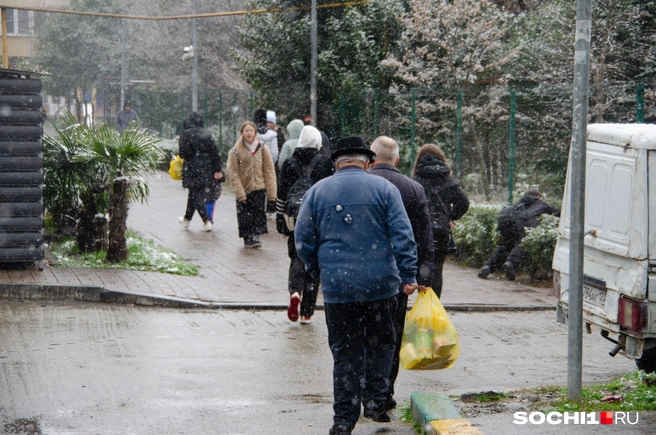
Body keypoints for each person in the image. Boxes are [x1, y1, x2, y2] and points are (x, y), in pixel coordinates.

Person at [294, 136, 418, 435]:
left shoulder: (317, 191)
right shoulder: (385, 189)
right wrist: (408, 274)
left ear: (336, 163)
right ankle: (375, 403)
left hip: (339, 289)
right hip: (381, 286)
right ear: (368, 161)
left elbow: (303, 239)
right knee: (381, 344)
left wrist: (318, 269)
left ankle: (343, 419)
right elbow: (403, 235)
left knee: (345, 352)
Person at [368, 136, 434, 410]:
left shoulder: (362, 185)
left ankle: (363, 389)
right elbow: (424, 237)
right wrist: (422, 277)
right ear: (397, 160)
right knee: (390, 334)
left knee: (363, 333)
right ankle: (384, 391)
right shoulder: (413, 189)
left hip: (364, 274)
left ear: (371, 158)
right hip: (399, 276)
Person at [276, 125, 335, 325]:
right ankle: (307, 312)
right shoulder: (326, 163)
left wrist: (280, 218)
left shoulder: (289, 163)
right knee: (314, 260)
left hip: (294, 216)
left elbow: (282, 193)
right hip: (317, 218)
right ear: (318, 142)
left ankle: (295, 292)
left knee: (296, 255)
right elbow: (330, 194)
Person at [412, 144, 469, 298]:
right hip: (441, 230)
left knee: (422, 267)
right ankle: (433, 307)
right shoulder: (448, 181)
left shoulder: (415, 181)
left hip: (421, 230)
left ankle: (422, 304)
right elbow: (464, 202)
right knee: (437, 268)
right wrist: (450, 216)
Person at [478, 190, 560, 280]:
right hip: (522, 221)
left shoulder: (520, 202)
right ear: (538, 197)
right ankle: (511, 263)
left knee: (506, 244)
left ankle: (488, 267)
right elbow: (557, 212)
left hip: (505, 220)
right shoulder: (540, 203)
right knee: (523, 243)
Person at [227, 121, 277, 248]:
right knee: (245, 216)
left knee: (258, 214)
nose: (249, 133)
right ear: (242, 133)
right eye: (246, 131)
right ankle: (247, 237)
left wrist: (272, 196)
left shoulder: (262, 148)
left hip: (259, 188)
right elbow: (233, 173)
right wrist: (240, 193)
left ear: (255, 132)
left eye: (251, 131)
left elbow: (269, 171)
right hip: (245, 189)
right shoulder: (235, 151)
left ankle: (255, 236)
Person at [177, 112, 224, 232]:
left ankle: (206, 221)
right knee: (194, 195)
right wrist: (218, 169)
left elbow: (183, 153)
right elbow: (215, 153)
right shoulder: (207, 134)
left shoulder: (186, 134)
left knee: (196, 196)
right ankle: (187, 220)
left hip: (192, 169)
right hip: (206, 169)